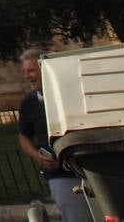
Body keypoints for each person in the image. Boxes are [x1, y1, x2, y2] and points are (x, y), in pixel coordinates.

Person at [17, 49, 91, 222]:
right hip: (60, 175)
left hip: (89, 166)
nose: (27, 76)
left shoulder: (75, 93)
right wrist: (36, 155)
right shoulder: (29, 104)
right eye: (25, 72)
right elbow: (23, 135)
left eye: (31, 71)